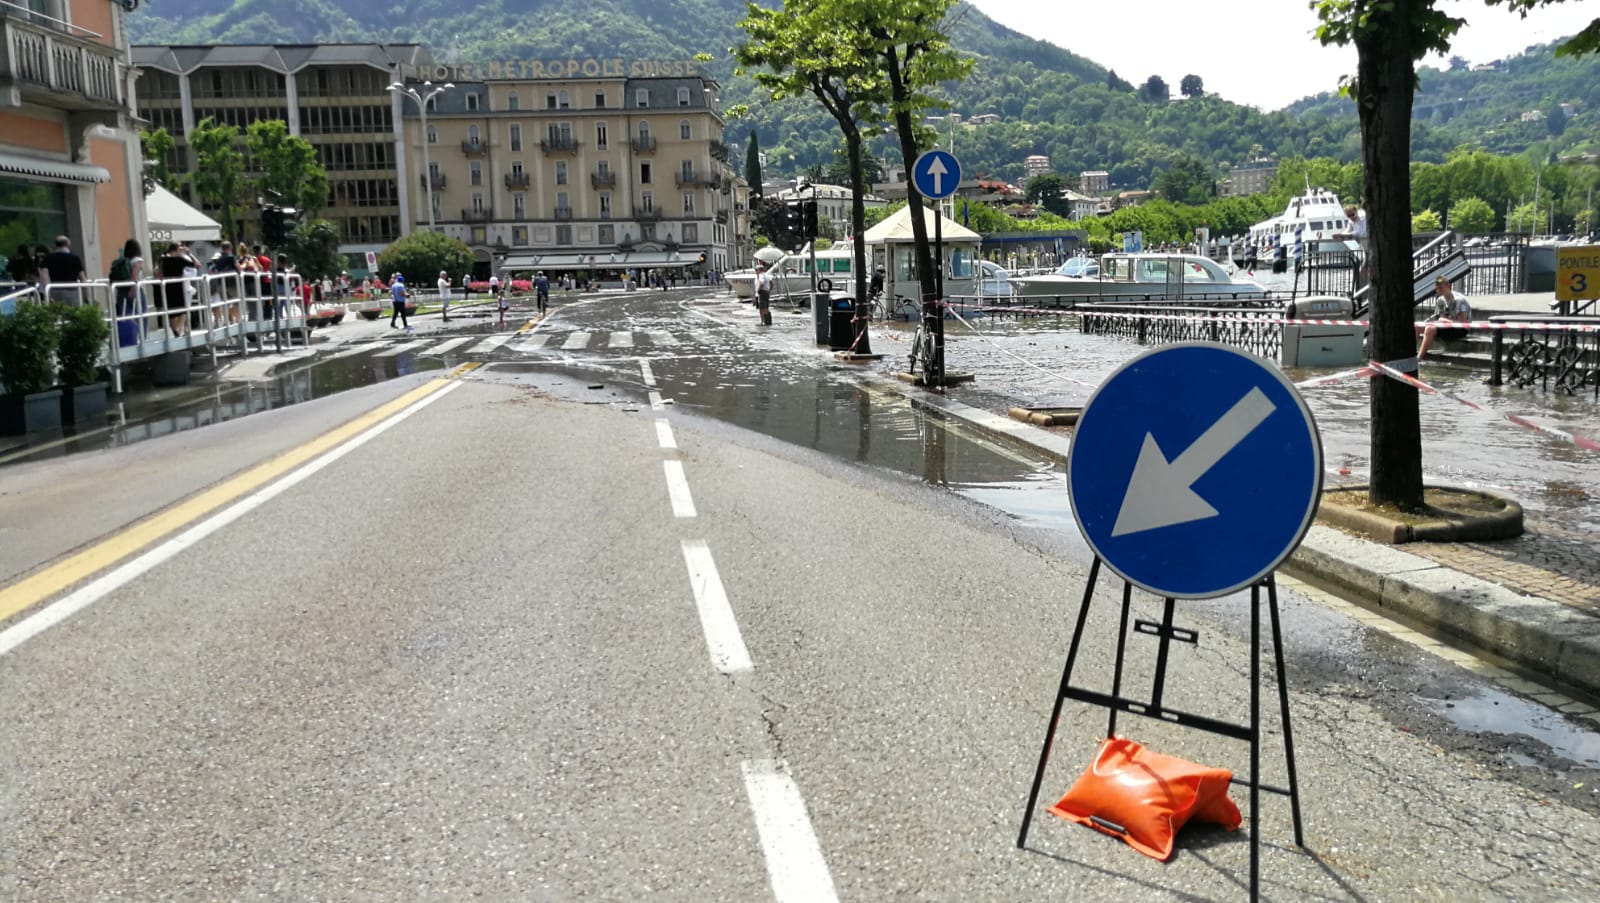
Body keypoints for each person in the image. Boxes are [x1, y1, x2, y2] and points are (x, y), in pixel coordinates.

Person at [1416, 275, 1470, 360]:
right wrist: (1443, 320)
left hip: (1460, 329)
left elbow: (1463, 324)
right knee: (1417, 326)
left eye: (1441, 288)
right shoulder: (1440, 300)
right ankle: (1410, 355)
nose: (1438, 291)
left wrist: (1447, 321)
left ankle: (1419, 357)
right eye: (1437, 288)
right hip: (1446, 326)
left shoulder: (1459, 300)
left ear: (1448, 286)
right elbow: (1441, 318)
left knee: (1429, 329)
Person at [40, 234, 86, 304]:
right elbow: (82, 278)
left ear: (56, 245)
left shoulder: (48, 259)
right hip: (72, 291)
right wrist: (86, 297)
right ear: (68, 245)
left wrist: (48, 295)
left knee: (57, 313)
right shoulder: (75, 259)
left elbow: (45, 278)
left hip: (55, 291)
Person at [755, 262, 773, 326]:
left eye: (756, 270)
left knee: (762, 308)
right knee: (766, 307)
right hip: (766, 292)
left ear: (759, 270)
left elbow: (762, 283)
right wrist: (769, 290)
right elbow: (772, 283)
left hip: (762, 292)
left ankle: (763, 321)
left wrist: (759, 290)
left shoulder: (761, 275)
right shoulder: (767, 275)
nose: (755, 272)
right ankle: (768, 321)